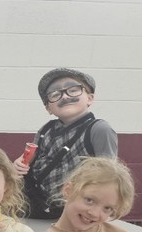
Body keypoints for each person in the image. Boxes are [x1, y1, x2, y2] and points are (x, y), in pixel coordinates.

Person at [14, 68, 118, 220]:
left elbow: (109, 175)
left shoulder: (98, 129)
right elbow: (30, 160)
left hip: (72, 212)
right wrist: (18, 164)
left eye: (73, 90)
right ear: (48, 108)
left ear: (90, 98)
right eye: (55, 94)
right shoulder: (46, 130)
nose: (65, 96)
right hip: (34, 204)